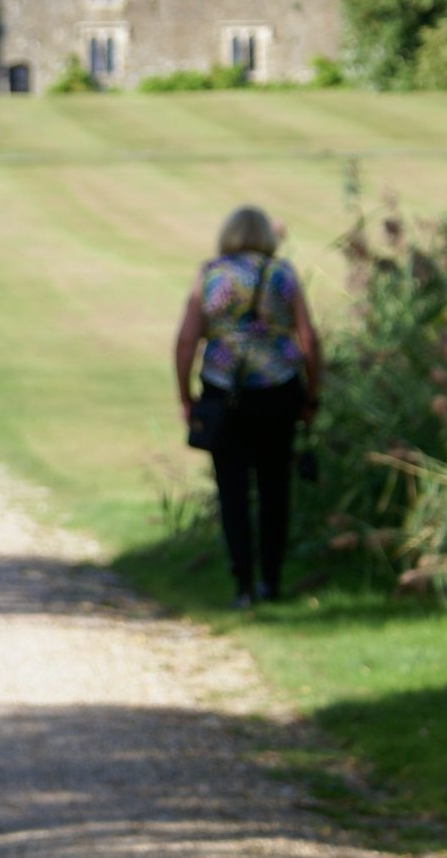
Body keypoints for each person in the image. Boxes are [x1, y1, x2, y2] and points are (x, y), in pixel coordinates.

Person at [173, 205, 322, 609]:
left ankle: (242, 584)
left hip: (224, 396)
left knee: (232, 492)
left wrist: (186, 396)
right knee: (276, 489)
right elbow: (309, 340)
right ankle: (270, 582)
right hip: (279, 393)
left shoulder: (210, 274)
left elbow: (187, 341)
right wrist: (312, 396)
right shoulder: (283, 274)